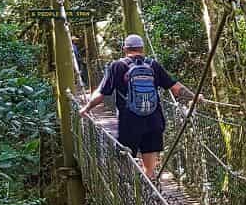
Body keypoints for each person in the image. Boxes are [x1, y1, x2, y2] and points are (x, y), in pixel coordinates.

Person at [80, 34, 195, 180]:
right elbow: (176, 88)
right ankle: (149, 186)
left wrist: (87, 108)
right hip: (154, 120)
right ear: (142, 48)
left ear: (125, 49)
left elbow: (102, 94)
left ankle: (130, 190)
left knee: (125, 159)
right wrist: (195, 97)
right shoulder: (153, 65)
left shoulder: (117, 66)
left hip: (129, 122)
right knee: (149, 166)